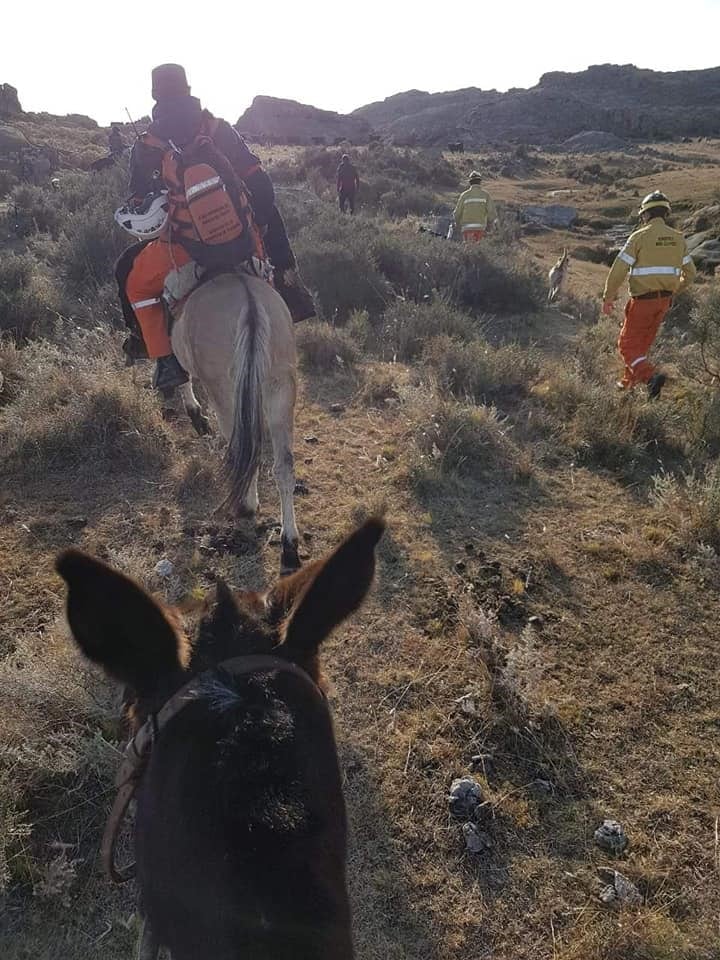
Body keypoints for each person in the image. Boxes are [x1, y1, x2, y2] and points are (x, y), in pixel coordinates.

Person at [118, 64, 315, 391]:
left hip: (180, 250)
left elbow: (141, 203)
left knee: (130, 275)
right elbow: (263, 190)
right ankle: (290, 289)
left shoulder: (147, 145)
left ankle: (162, 358)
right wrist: (252, 225)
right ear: (189, 88)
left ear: (154, 95)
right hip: (243, 239)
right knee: (273, 216)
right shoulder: (218, 128)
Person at [602, 190, 696, 398]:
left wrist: (608, 297)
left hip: (643, 302)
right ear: (665, 213)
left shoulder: (639, 237)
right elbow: (690, 273)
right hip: (664, 302)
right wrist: (674, 291)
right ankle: (628, 383)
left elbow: (618, 269)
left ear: (645, 215)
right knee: (641, 345)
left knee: (627, 345)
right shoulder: (678, 239)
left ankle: (650, 376)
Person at [452, 171, 498, 241]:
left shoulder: (464, 195)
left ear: (470, 182)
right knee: (479, 250)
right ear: (480, 182)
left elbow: (457, 213)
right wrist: (490, 225)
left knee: (468, 249)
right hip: (481, 229)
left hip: (467, 229)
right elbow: (492, 213)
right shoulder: (485, 195)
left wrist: (458, 224)